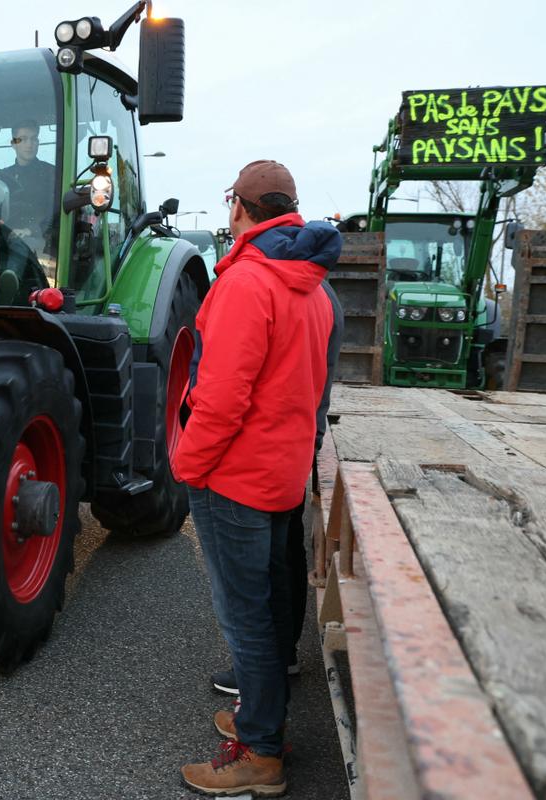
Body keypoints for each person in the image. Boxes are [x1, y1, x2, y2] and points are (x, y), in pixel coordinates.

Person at [172, 160, 340, 796]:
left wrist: (188, 465)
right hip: (279, 473)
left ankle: (261, 755)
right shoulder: (312, 287)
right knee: (266, 611)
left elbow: (220, 399)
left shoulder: (248, 284)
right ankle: (260, 717)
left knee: (245, 619)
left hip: (234, 478)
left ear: (240, 207)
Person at [209, 279, 343, 697]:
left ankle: (262, 685)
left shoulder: (283, 290)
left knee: (263, 568)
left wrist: (192, 461)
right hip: (294, 442)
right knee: (284, 553)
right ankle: (279, 658)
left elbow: (236, 384)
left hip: (269, 451)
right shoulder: (321, 293)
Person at [0, 121, 55, 243]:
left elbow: (56, 211)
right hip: (4, 237)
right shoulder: (2, 176)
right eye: (23, 139)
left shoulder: (52, 174)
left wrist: (31, 230)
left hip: (40, 239)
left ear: (38, 143)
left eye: (34, 139)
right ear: (13, 144)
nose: (29, 144)